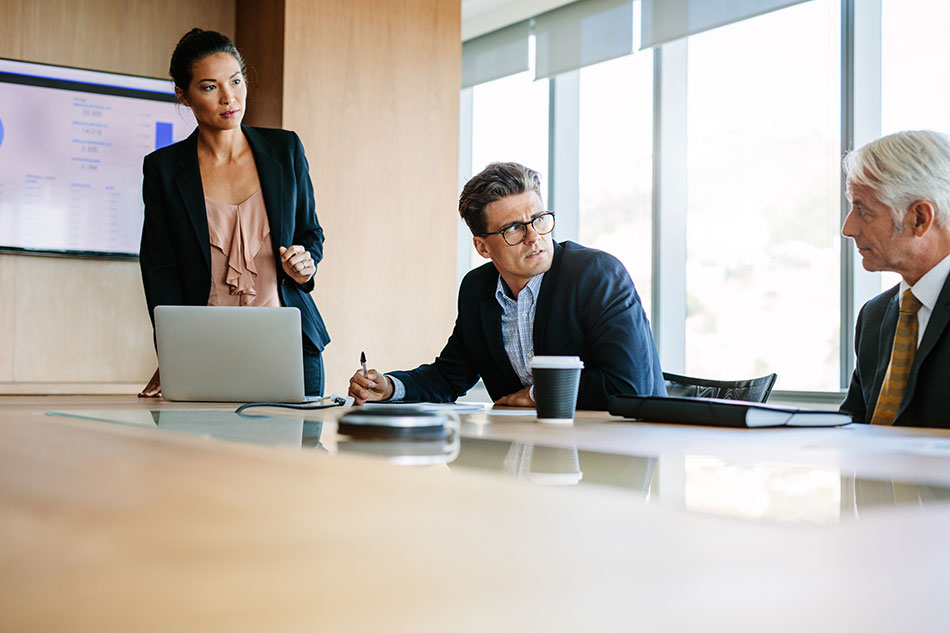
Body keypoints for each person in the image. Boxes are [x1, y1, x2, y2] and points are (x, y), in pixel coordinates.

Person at [348, 162, 665, 409]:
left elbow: (628, 386)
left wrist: (537, 394)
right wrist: (389, 387)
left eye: (538, 218)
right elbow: (449, 377)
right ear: (482, 247)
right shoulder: (477, 290)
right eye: (514, 228)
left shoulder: (597, 275)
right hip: (524, 456)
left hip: (613, 461)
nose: (534, 237)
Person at [138, 28, 329, 397]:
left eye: (236, 81)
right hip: (206, 346)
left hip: (289, 342)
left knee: (296, 454)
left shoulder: (285, 149)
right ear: (183, 94)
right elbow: (159, 269)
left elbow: (310, 234)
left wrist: (306, 265)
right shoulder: (163, 169)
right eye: (210, 87)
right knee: (204, 455)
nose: (230, 98)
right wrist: (174, 353)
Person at [840, 130, 950, 428]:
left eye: (862, 209)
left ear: (919, 219)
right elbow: (852, 427)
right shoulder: (874, 316)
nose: (848, 228)